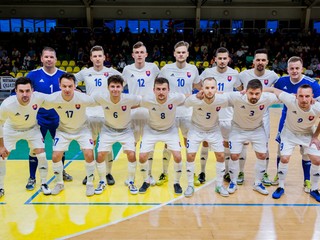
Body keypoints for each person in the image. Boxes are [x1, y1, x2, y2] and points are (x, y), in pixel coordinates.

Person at [26, 47, 72, 191]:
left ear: (56, 59)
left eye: (51, 57)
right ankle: (32, 177)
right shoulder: (33, 75)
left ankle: (61, 171)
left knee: (61, 149)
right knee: (34, 149)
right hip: (38, 118)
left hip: (58, 118)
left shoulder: (63, 75)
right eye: (46, 57)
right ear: (41, 58)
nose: (49, 59)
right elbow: (25, 93)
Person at [42, 73, 96, 196]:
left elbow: (98, 102)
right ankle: (59, 183)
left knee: (89, 153)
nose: (67, 89)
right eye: (64, 86)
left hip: (83, 129)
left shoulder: (83, 98)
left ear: (75, 86)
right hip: (63, 130)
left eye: (70, 86)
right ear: (59, 85)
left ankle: (90, 183)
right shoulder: (53, 98)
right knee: (55, 156)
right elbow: (38, 101)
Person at [75, 45, 122, 186]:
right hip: (89, 114)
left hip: (107, 114)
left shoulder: (112, 72)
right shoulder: (85, 72)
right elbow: (69, 82)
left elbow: (121, 85)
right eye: (94, 56)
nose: (97, 58)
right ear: (90, 58)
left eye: (99, 56)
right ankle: (89, 173)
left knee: (106, 145)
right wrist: (79, 94)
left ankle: (108, 173)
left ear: (104, 57)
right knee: (89, 146)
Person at [264, 85, 320, 202]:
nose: (304, 99)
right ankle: (280, 187)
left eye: (307, 96)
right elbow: (273, 89)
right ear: (296, 96)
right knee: (284, 158)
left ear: (312, 97)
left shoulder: (317, 107)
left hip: (307, 134)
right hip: (289, 134)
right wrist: (252, 90)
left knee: (317, 160)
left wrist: (315, 136)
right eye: (301, 96)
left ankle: (314, 189)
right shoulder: (290, 99)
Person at [273, 56, 320, 193]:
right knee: (281, 151)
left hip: (306, 122)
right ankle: (279, 175)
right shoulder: (281, 81)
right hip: (287, 118)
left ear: (302, 68)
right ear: (287, 69)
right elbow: (273, 92)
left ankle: (307, 180)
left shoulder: (312, 84)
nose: (294, 71)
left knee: (306, 153)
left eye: (297, 68)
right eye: (291, 68)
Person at [157, 41, 201, 187]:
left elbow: (198, 87)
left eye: (183, 52)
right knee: (168, 144)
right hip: (171, 112)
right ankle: (164, 172)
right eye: (178, 52)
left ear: (187, 54)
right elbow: (159, 87)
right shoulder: (166, 69)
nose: (181, 54)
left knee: (189, 144)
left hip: (188, 112)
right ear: (174, 54)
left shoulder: (193, 69)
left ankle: (191, 173)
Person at [0, 77, 51, 197]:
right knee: (1, 158)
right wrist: (1, 146)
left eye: (27, 91)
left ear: (32, 90)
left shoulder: (38, 97)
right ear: (16, 91)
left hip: (32, 129)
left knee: (42, 155)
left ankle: (44, 183)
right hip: (11, 130)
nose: (25, 94)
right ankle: (1, 187)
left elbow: (56, 99)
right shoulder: (7, 104)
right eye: (21, 91)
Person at [226, 79, 279, 195]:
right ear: (246, 91)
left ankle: (257, 183)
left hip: (257, 129)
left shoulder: (267, 98)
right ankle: (233, 182)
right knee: (234, 155)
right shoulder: (236, 97)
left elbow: (285, 96)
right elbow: (220, 95)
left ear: (262, 92)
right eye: (251, 93)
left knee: (262, 155)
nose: (254, 96)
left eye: (257, 93)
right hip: (238, 129)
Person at [92, 75, 141, 195]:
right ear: (108, 87)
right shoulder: (100, 97)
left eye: (118, 87)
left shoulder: (130, 98)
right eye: (112, 86)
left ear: (122, 87)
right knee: (100, 154)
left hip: (126, 130)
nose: (115, 89)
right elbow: (86, 99)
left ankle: (130, 181)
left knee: (131, 154)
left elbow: (143, 100)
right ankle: (102, 181)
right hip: (108, 130)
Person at [199, 47, 241, 184]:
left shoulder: (234, 74)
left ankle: (227, 172)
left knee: (226, 144)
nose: (222, 61)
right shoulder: (207, 72)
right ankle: (202, 172)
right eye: (220, 58)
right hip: (209, 114)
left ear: (228, 59)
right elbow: (200, 88)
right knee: (205, 142)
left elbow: (240, 91)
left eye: (225, 58)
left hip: (227, 116)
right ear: (215, 59)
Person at [238, 49, 279, 186]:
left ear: (267, 62)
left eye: (263, 60)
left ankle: (264, 173)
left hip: (263, 115)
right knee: (243, 144)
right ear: (253, 61)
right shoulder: (243, 75)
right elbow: (239, 92)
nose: (260, 62)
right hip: (245, 114)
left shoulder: (273, 75)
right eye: (258, 60)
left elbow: (277, 90)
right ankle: (240, 172)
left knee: (265, 147)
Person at [138, 77, 185, 194]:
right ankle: (146, 181)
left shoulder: (176, 97)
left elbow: (188, 97)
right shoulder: (147, 99)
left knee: (178, 156)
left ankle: (176, 183)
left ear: (169, 90)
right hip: (151, 130)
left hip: (170, 130)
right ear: (153, 90)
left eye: (164, 89)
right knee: (142, 156)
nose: (161, 92)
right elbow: (133, 103)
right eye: (158, 89)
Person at [122, 41, 160, 186]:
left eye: (141, 52)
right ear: (133, 55)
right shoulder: (127, 69)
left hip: (150, 113)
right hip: (132, 113)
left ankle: (148, 175)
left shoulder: (153, 68)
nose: (139, 55)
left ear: (146, 55)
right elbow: (119, 87)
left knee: (149, 146)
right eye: (136, 53)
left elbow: (161, 86)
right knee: (131, 145)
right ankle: (131, 177)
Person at [184, 77, 229, 197]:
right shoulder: (195, 99)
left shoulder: (222, 99)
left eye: (212, 88)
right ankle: (190, 185)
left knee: (220, 155)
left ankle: (219, 185)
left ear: (216, 89)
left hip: (214, 130)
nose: (209, 90)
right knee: (190, 155)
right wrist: (193, 96)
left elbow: (235, 98)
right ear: (202, 88)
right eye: (207, 87)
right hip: (196, 129)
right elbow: (185, 102)